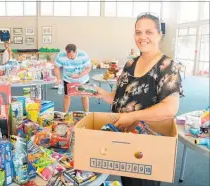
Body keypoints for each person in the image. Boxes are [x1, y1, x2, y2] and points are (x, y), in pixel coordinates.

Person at [95, 13, 183, 186]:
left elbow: (170, 108)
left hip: (147, 142)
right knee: (127, 180)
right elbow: (122, 96)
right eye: (138, 32)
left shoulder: (168, 66)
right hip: (123, 135)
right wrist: (102, 94)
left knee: (143, 182)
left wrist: (132, 117)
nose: (142, 37)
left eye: (148, 32)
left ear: (159, 34)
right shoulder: (130, 64)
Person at [54, 44, 92, 113]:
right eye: (68, 56)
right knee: (67, 96)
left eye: (71, 56)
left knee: (84, 96)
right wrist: (58, 78)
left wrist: (79, 75)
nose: (69, 57)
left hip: (82, 79)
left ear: (75, 52)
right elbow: (56, 67)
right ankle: (65, 113)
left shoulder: (83, 55)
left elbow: (88, 68)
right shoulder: (60, 56)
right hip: (68, 79)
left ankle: (87, 113)